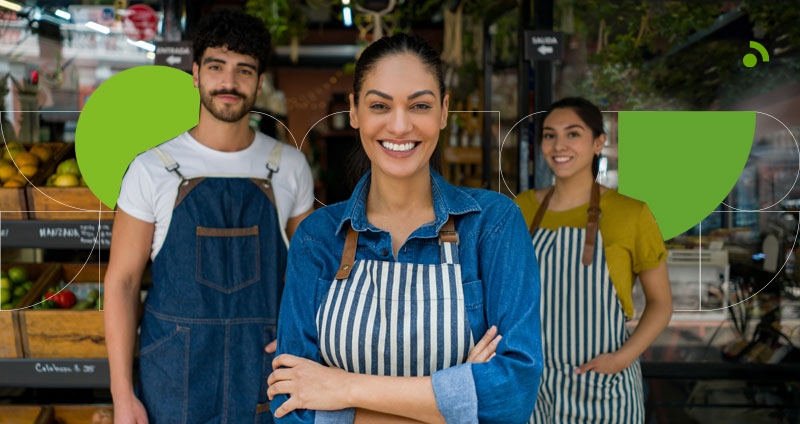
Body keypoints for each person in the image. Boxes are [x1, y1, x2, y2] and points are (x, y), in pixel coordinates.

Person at [267, 33, 543, 424]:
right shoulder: (316, 237)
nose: (399, 125)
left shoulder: (493, 225)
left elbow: (513, 396)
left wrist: (342, 388)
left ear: (444, 112)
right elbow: (290, 408)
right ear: (355, 111)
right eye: (380, 105)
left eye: (420, 105)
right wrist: (454, 401)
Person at [104, 9, 314, 424]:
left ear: (259, 81)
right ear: (196, 74)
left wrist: (302, 342)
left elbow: (310, 277)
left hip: (265, 372)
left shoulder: (289, 167)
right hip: (173, 375)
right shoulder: (152, 168)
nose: (230, 83)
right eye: (217, 67)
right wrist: (122, 396)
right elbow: (121, 282)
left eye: (244, 70)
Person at [515, 97, 673, 423]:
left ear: (598, 142)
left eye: (573, 134)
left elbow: (661, 303)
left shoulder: (632, 213)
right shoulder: (521, 209)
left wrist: (622, 359)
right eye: (549, 135)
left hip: (604, 389)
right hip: (534, 388)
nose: (559, 145)